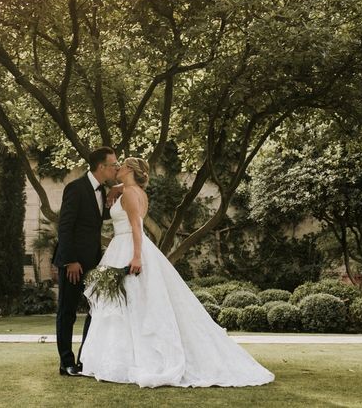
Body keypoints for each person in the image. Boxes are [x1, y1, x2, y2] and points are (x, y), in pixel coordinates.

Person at [79, 157, 274, 388]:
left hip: (129, 246)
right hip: (123, 245)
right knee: (130, 304)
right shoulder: (135, 191)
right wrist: (117, 188)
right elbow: (130, 195)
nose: (117, 167)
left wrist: (137, 256)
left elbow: (136, 227)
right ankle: (125, 356)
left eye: (121, 165)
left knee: (129, 303)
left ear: (130, 169)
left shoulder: (130, 194)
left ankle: (132, 359)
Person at [53, 146, 119, 377]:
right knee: (67, 312)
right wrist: (70, 260)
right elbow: (65, 226)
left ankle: (84, 358)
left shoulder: (103, 191)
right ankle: (66, 362)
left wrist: (120, 187)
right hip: (73, 263)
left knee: (96, 309)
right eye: (114, 165)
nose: (116, 168)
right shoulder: (76, 188)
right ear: (102, 167)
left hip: (93, 264)